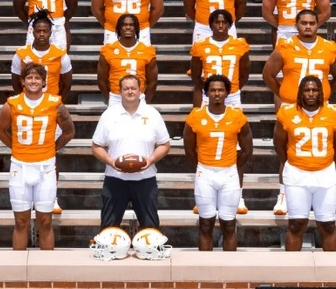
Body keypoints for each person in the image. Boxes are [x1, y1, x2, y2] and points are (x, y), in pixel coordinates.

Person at [0, 63, 75, 250]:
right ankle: (17, 270)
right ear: (22, 81)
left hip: (45, 166)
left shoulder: (56, 104)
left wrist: (51, 149)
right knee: (20, 221)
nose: (33, 81)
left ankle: (47, 271)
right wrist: (16, 147)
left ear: (44, 81)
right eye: (29, 77)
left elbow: (69, 132)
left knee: (46, 221)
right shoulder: (11, 104)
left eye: (37, 77)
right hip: (20, 166)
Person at [274, 75, 336, 251]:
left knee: (328, 225)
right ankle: (293, 273)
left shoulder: (335, 113)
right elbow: (279, 143)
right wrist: (291, 163)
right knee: (296, 225)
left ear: (321, 92)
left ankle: (331, 275)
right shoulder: (286, 113)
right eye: (307, 90)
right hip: (297, 173)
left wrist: (327, 162)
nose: (311, 93)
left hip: (325, 174)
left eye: (315, 90)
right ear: (300, 92)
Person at [92, 73, 171, 231]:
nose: (130, 91)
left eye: (133, 88)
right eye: (126, 88)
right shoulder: (109, 115)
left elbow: (165, 144)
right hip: (115, 178)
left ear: (140, 90)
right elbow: (96, 146)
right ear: (119, 91)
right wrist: (111, 162)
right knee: (108, 226)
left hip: (145, 179)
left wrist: (150, 160)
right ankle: (108, 252)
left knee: (150, 227)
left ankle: (150, 252)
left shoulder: (152, 114)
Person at [184, 73, 251, 250]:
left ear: (227, 93)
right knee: (205, 223)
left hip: (228, 173)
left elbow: (247, 149)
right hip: (205, 172)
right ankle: (206, 270)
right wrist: (203, 164)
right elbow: (189, 149)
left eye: (220, 90)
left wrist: (231, 166)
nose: (217, 93)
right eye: (212, 90)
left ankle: (229, 271)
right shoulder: (196, 116)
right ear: (206, 93)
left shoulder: (237, 116)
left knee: (229, 224)